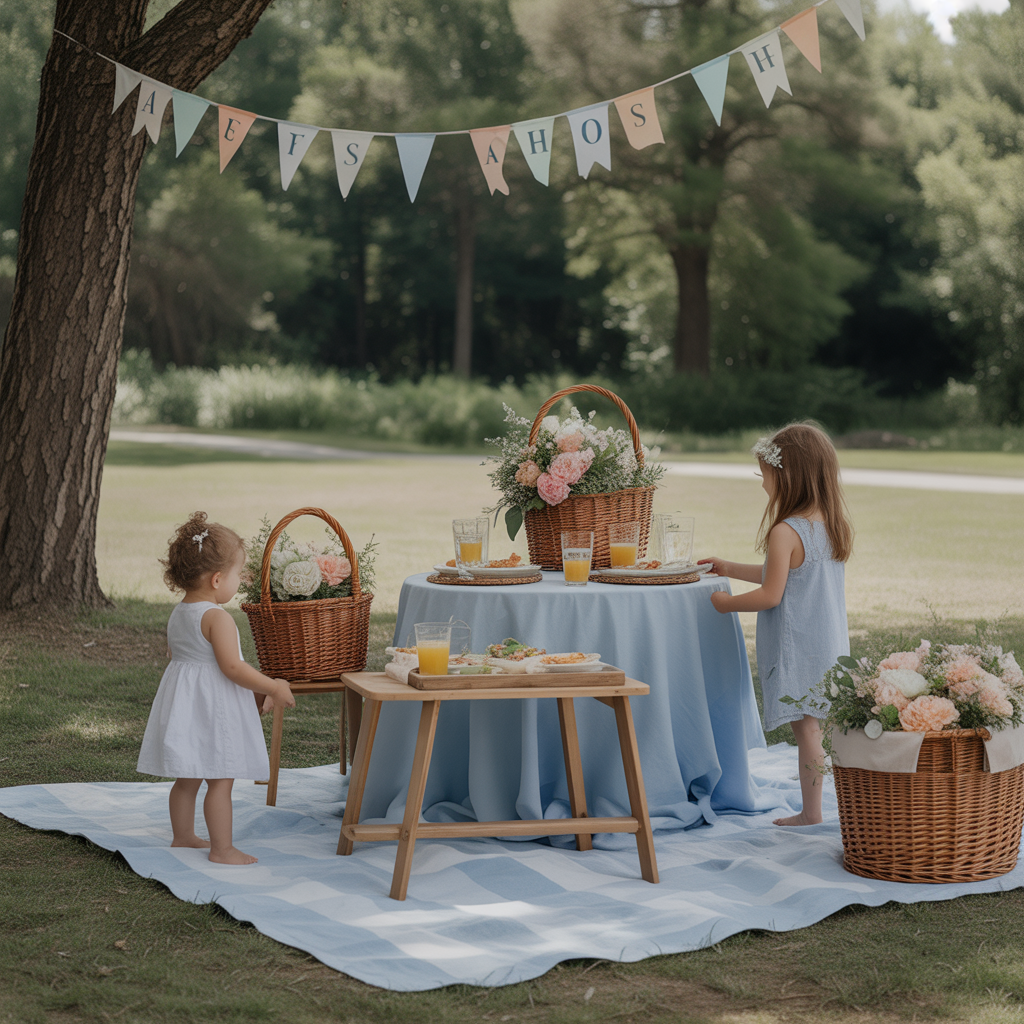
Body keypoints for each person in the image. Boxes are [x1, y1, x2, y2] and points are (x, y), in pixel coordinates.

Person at [700, 423, 852, 827]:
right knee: (814, 729)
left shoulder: (785, 531)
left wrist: (726, 604)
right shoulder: (829, 525)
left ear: (788, 475)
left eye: (764, 473)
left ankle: (811, 813)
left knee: (807, 732)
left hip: (797, 646)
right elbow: (784, 576)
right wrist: (729, 568)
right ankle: (818, 805)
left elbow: (771, 594)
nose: (762, 482)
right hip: (827, 643)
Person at [137, 512, 295, 864]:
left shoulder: (180, 612)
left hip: (188, 705)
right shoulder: (217, 617)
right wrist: (272, 686)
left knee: (188, 778)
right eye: (238, 575)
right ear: (217, 579)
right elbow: (232, 667)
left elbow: (180, 656)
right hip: (213, 708)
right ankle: (222, 849)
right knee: (221, 780)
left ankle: (183, 836)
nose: (240, 581)